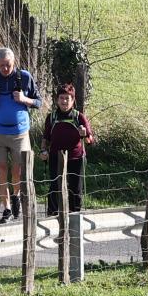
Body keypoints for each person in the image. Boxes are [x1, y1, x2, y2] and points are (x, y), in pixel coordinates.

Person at [0, 46, 42, 224]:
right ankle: (7, 208)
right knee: (1, 170)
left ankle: (16, 196)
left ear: (14, 62)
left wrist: (25, 100)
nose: (5, 69)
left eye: (8, 65)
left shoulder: (24, 77)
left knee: (18, 171)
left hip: (19, 132)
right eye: (1, 65)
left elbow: (39, 101)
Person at [42, 82, 94, 216]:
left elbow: (90, 141)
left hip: (75, 158)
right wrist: (43, 151)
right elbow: (46, 138)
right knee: (54, 187)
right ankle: (52, 216)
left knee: (75, 190)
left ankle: (74, 217)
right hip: (55, 157)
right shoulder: (52, 117)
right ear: (57, 100)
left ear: (73, 100)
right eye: (61, 98)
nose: (64, 101)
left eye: (67, 98)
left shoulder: (79, 117)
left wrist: (84, 134)